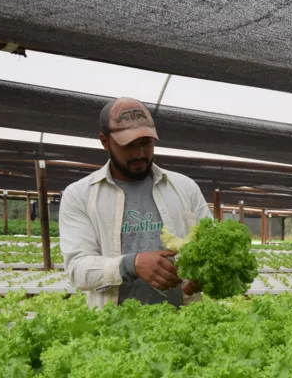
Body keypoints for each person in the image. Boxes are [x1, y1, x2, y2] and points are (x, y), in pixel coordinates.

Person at [60, 97, 211, 309]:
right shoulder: (80, 195)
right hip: (113, 327)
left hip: (182, 324)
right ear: (105, 141)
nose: (139, 154)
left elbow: (211, 245)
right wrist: (131, 264)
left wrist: (202, 273)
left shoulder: (185, 188)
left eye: (146, 144)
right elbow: (77, 269)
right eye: (129, 146)